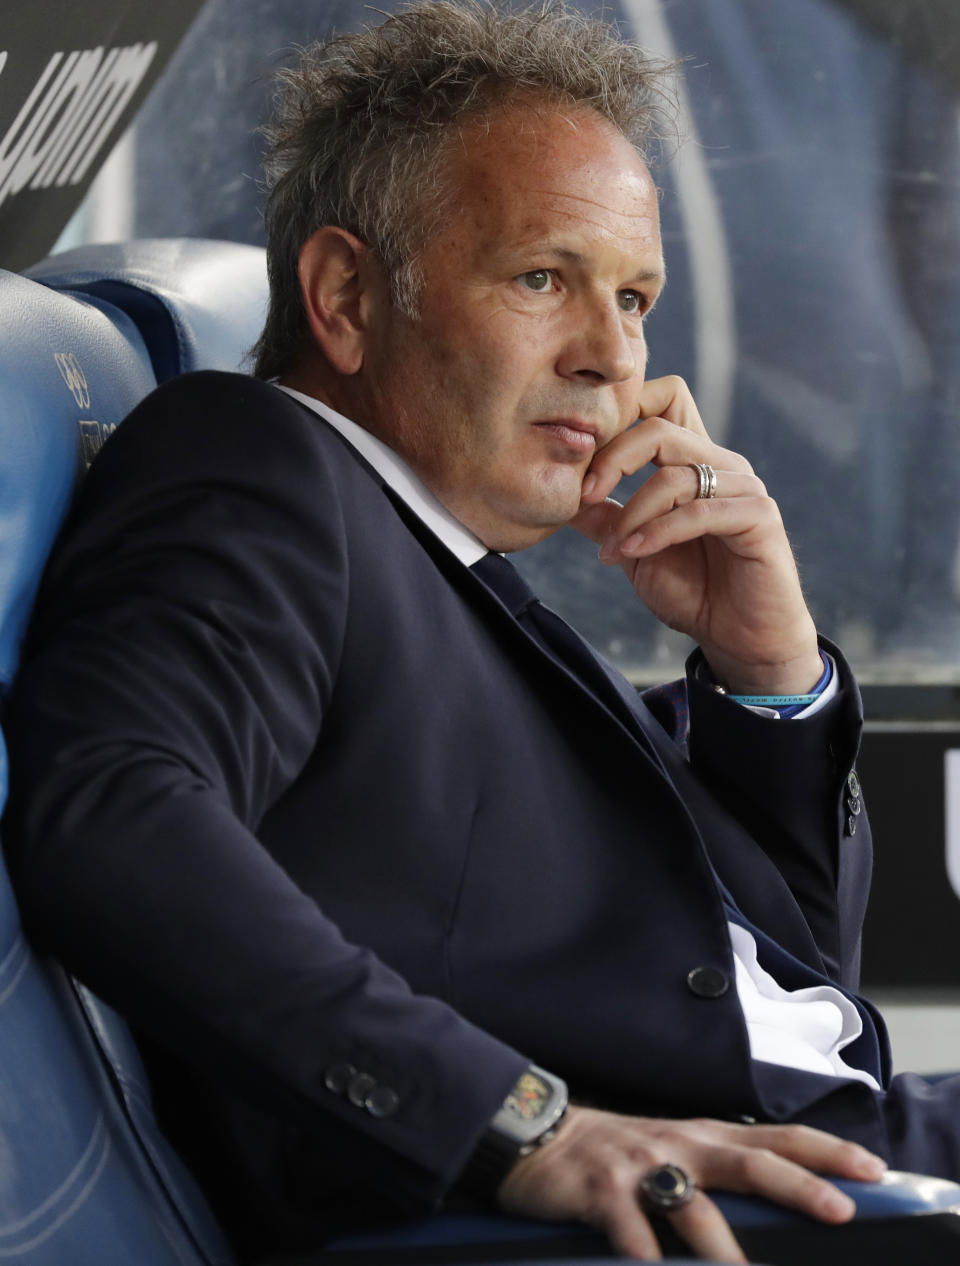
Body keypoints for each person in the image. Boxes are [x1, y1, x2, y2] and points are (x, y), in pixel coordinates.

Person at [8, 3, 959, 1262]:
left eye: (634, 298)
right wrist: (522, 1127)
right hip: (715, 1204)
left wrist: (766, 673)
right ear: (346, 297)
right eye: (541, 279)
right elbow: (115, 809)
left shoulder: (449, 566)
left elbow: (788, 991)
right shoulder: (261, 469)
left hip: (832, 1141)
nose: (610, 358)